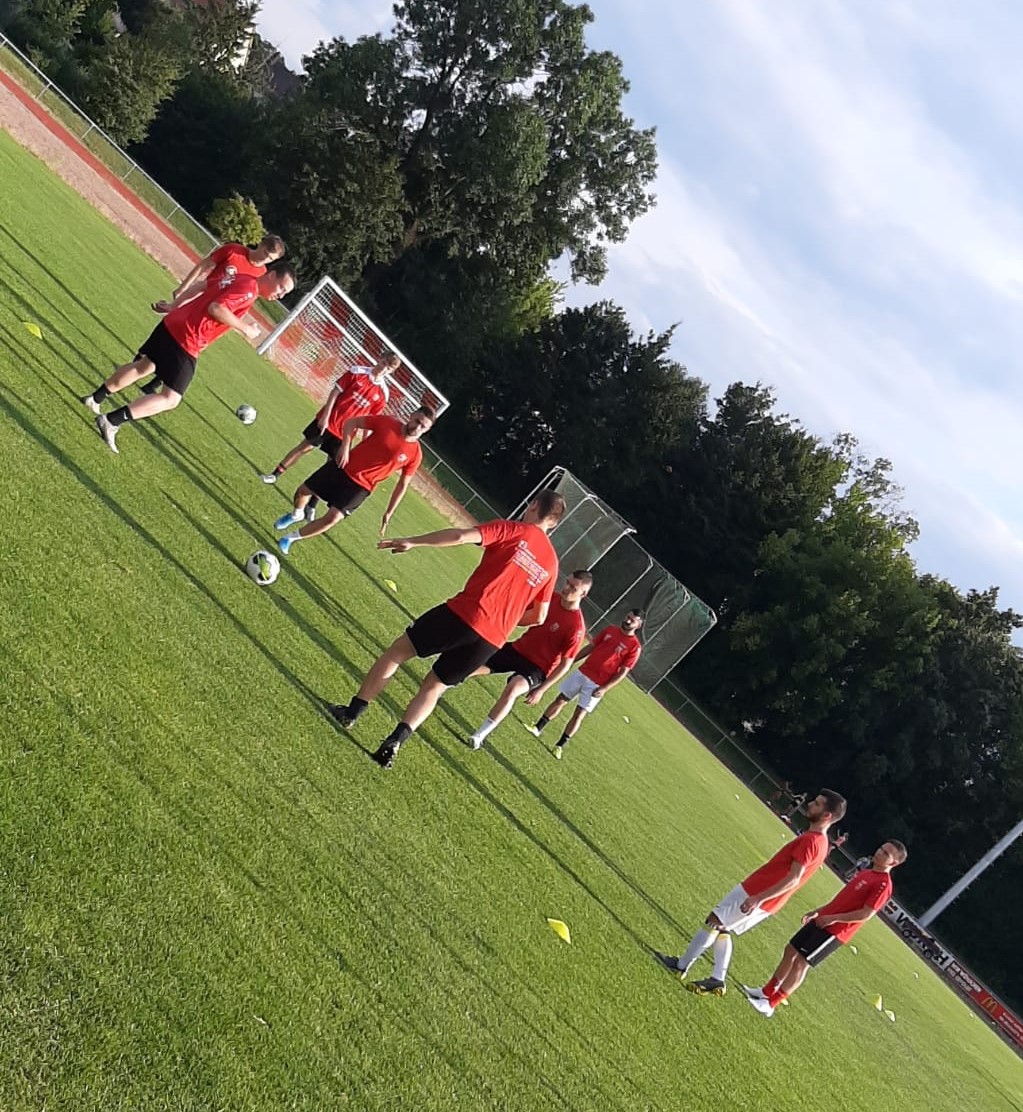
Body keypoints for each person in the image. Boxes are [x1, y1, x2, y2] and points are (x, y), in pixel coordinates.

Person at [325, 489, 566, 769]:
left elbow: (461, 536)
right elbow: (539, 616)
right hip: (492, 639)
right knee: (435, 685)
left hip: (464, 613)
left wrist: (414, 541)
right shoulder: (551, 564)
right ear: (554, 522)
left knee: (398, 652)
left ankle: (352, 713)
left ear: (533, 505)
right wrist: (505, 619)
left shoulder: (513, 529)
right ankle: (394, 743)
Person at [653, 789, 848, 997]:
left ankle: (682, 967)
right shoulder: (821, 842)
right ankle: (715, 979)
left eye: (817, 804)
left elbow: (794, 878)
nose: (810, 804)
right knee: (722, 927)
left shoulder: (812, 841)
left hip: (758, 892)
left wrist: (758, 898)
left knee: (714, 921)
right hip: (763, 895)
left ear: (827, 815)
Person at [83, 265, 296, 453]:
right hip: (188, 337)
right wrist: (245, 329)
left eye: (285, 293)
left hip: (174, 323)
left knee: (143, 366)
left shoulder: (241, 277)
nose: (281, 295)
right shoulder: (249, 289)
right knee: (171, 398)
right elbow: (216, 308)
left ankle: (95, 398)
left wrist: (175, 306)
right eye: (281, 288)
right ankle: (112, 421)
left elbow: (206, 287)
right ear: (271, 275)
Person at [742, 840, 908, 1017]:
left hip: (836, 930)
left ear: (894, 863)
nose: (880, 852)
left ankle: (772, 1004)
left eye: (886, 853)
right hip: (823, 919)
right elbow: (842, 900)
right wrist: (819, 911)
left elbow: (865, 914)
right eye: (881, 848)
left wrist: (833, 918)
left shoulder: (883, 885)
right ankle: (766, 992)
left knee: (801, 962)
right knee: (790, 950)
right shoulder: (867, 873)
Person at [258, 352, 400, 521]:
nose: (384, 368)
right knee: (304, 447)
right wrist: (325, 416)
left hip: (345, 434)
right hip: (329, 422)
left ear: (391, 372)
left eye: (389, 368)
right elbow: (335, 393)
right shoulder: (357, 372)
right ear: (379, 359)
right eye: (384, 363)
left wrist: (363, 442)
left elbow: (370, 421)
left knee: (331, 468)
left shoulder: (383, 393)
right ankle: (275, 474)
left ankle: (311, 506)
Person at [272, 408, 434, 555]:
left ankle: (290, 538)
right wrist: (345, 447)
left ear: (427, 430)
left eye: (423, 427)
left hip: (362, 487)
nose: (418, 427)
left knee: (333, 518)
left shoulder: (415, 454)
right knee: (303, 492)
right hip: (343, 467)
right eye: (417, 421)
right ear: (411, 416)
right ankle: (297, 514)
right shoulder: (387, 422)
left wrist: (389, 512)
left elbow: (402, 484)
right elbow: (351, 422)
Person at [466, 570, 593, 750]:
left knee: (512, 689)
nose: (566, 588)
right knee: (470, 665)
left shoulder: (576, 627)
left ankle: (479, 735)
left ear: (583, 594)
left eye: (573, 588)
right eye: (567, 583)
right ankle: (439, 689)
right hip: (518, 649)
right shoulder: (550, 599)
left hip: (537, 668)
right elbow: (521, 612)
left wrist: (541, 690)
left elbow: (565, 665)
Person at [529, 610, 644, 759]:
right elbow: (591, 647)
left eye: (632, 620)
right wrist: (571, 661)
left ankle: (559, 746)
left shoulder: (634, 647)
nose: (628, 621)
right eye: (628, 617)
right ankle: (537, 728)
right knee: (561, 700)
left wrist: (605, 688)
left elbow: (622, 672)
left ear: (638, 625)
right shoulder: (610, 630)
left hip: (597, 684)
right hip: (583, 672)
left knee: (579, 715)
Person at [150, 235, 286, 315]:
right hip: (200, 295)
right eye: (265, 253)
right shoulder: (233, 250)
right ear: (261, 244)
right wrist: (182, 288)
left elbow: (248, 297)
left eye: (270, 259)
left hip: (215, 309)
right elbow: (203, 266)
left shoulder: (262, 275)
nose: (265, 259)